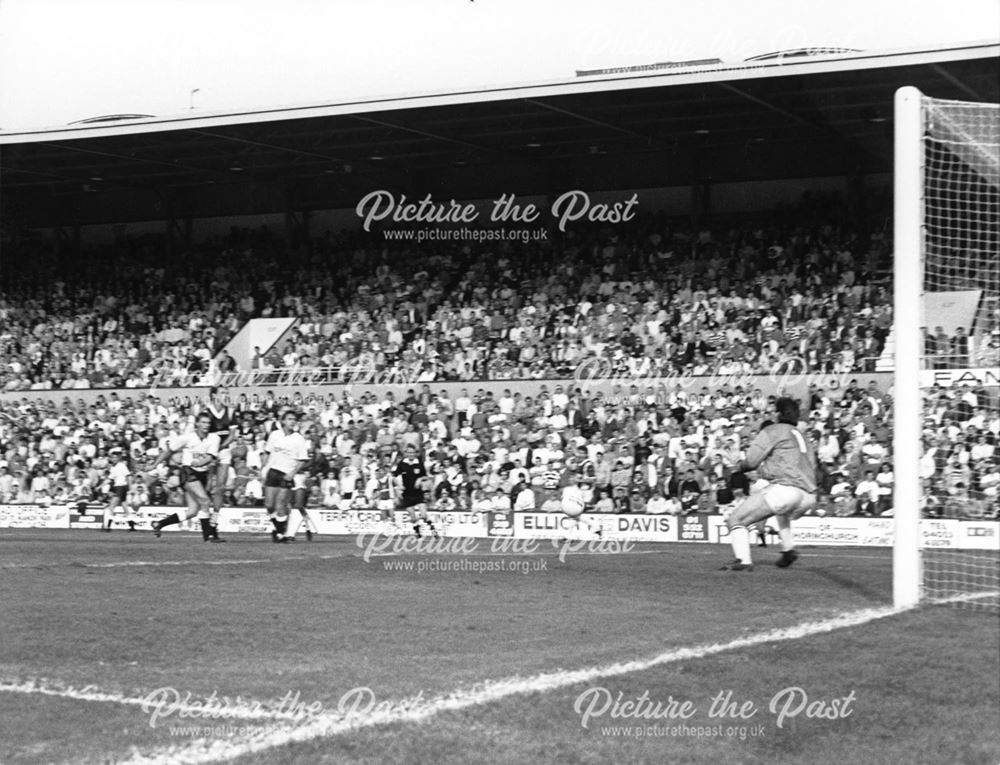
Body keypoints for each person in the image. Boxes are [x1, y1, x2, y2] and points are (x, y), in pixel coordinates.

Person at [721, 397, 817, 570]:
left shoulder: (773, 430)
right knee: (782, 513)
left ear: (778, 413)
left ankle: (743, 561)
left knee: (736, 519)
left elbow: (751, 462)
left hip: (787, 490)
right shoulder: (801, 435)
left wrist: (737, 465)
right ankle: (788, 550)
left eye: (773, 410)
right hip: (809, 495)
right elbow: (805, 465)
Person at [151, 412, 224, 542]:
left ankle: (159, 524)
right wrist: (154, 464)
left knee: (193, 511)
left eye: (208, 423)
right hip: (188, 472)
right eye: (203, 422)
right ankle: (209, 536)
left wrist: (200, 463)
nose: (206, 425)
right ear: (197, 424)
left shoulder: (214, 438)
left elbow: (211, 457)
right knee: (205, 501)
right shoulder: (187, 438)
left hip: (203, 474)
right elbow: (170, 451)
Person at [261, 410, 309, 543]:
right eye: (289, 419)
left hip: (286, 474)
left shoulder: (298, 438)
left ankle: (281, 534)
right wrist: (262, 468)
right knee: (269, 505)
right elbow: (267, 452)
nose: (292, 421)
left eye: (294, 419)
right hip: (273, 471)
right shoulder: (275, 435)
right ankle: (278, 529)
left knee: (281, 503)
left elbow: (303, 459)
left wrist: (292, 473)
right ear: (283, 421)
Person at [393, 443, 438, 538]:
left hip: (418, 492)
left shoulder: (419, 463)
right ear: (406, 453)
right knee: (413, 517)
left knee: (424, 515)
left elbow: (426, 476)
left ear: (415, 453)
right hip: (407, 493)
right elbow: (394, 477)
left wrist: (420, 479)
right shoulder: (402, 464)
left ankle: (432, 529)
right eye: (409, 453)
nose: (411, 454)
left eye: (412, 453)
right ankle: (417, 532)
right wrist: (399, 485)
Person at [101, 448, 130, 532]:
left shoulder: (121, 465)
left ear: (119, 458)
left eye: (115, 457)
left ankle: (107, 527)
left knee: (111, 507)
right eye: (112, 457)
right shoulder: (114, 468)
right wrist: (100, 486)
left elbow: (128, 475)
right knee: (125, 508)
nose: (113, 459)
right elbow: (109, 479)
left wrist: (130, 487)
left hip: (121, 487)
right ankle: (131, 526)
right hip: (120, 488)